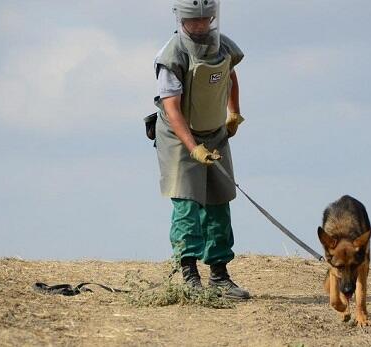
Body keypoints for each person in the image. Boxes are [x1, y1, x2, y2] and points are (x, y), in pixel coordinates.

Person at [152, 0, 249, 300]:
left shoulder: (222, 47)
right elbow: (172, 109)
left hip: (214, 132)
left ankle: (220, 276)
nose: (201, 25)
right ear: (182, 19)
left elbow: (229, 75)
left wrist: (233, 112)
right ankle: (189, 275)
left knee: (220, 201)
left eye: (207, 19)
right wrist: (193, 148)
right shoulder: (172, 56)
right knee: (188, 204)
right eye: (195, 21)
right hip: (179, 136)